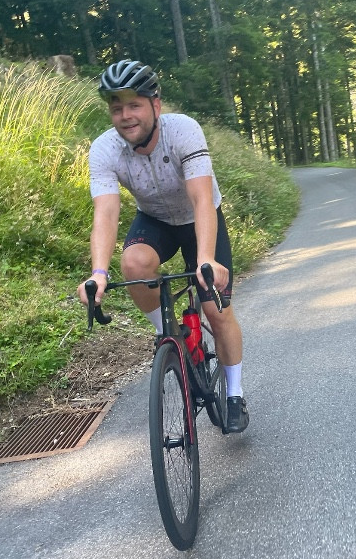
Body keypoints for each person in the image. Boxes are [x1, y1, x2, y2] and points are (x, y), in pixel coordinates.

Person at [77, 59, 249, 433]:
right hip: (155, 219)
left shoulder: (183, 130)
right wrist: (98, 273)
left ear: (155, 105)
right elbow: (105, 212)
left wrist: (206, 259)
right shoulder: (104, 149)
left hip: (199, 218)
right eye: (116, 108)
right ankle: (171, 334)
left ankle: (235, 394)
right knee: (133, 264)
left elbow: (201, 199)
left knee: (216, 311)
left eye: (134, 105)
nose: (125, 116)